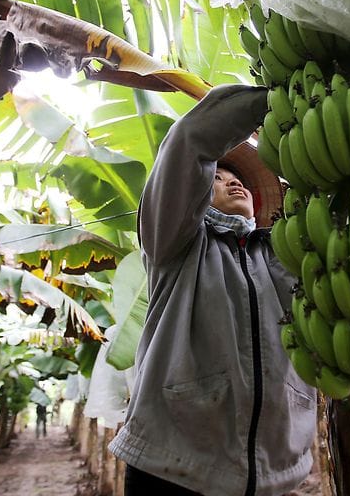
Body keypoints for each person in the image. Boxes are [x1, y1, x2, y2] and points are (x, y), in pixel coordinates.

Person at [108, 85, 317, 496]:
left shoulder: (284, 257)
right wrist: (283, 93)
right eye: (217, 179)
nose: (233, 183)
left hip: (274, 473)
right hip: (173, 466)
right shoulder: (176, 246)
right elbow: (190, 142)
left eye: (238, 179)